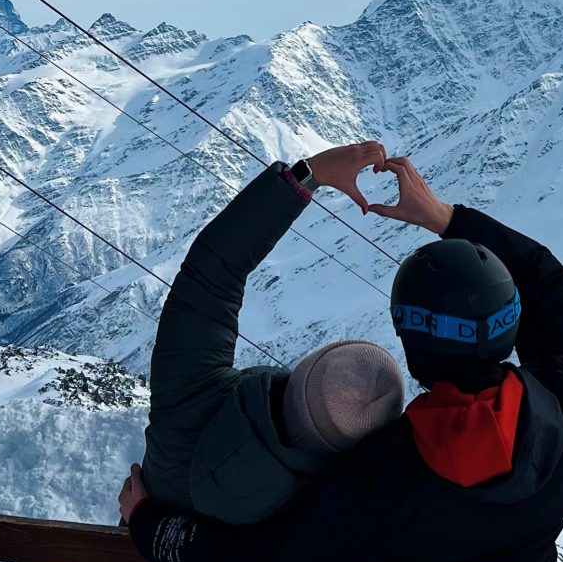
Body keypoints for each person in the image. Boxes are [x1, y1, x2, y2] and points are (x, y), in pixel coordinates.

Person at [120, 155, 563, 562]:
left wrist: (148, 521)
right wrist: (443, 217)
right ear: (513, 324)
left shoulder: (385, 474)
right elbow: (552, 286)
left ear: (411, 346)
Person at [135, 140, 405, 532]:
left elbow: (214, 271)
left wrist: (309, 176)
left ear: (304, 370)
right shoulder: (329, 519)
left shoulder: (191, 395)